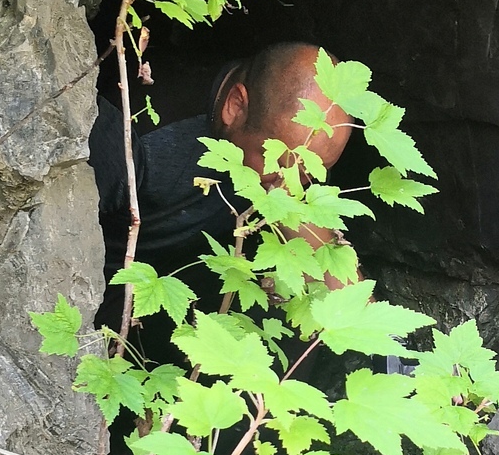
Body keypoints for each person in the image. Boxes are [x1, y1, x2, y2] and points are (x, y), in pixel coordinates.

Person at [88, 41, 350, 337]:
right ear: (235, 106)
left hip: (193, 271)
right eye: (281, 162)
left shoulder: (290, 141)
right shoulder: (134, 141)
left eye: (313, 170)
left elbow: (319, 249)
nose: (291, 187)